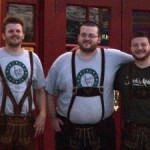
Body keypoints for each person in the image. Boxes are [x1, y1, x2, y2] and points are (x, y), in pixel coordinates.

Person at [46, 21, 133, 150]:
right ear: (78, 37)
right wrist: (52, 118)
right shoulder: (62, 61)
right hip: (68, 130)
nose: (87, 38)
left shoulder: (112, 56)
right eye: (84, 35)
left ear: (99, 39)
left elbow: (140, 58)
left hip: (102, 130)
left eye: (92, 36)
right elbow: (49, 91)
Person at [0, 16, 46, 150]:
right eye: (11, 31)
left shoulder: (33, 58)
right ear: (3, 35)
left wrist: (42, 114)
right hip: (2, 121)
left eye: (18, 31)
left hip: (27, 123)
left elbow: (40, 90)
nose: (15, 34)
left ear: (23, 35)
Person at [114, 32, 150, 150]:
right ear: (130, 48)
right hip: (130, 133)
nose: (139, 48)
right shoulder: (123, 71)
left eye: (143, 44)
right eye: (135, 45)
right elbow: (110, 90)